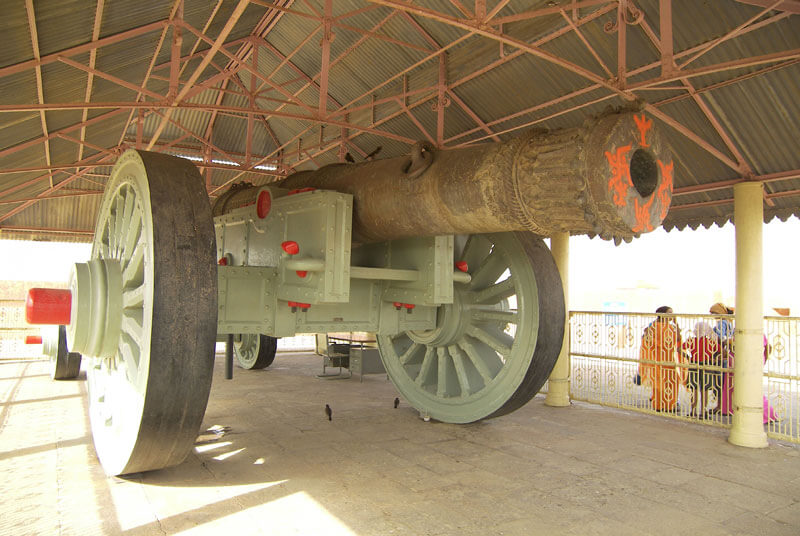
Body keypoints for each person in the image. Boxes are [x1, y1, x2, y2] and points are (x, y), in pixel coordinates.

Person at [638, 306, 684, 412]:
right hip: (658, 359)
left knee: (672, 381)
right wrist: (663, 345)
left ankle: (669, 404)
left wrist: (676, 324)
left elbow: (676, 339)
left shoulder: (669, 326)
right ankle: (660, 405)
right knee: (660, 383)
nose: (672, 315)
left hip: (669, 359)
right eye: (669, 313)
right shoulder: (655, 327)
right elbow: (649, 340)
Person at [683, 321, 719, 418]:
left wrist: (687, 357)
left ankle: (693, 411)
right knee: (705, 389)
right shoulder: (710, 342)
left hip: (694, 364)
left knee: (694, 388)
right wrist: (714, 359)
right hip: (706, 365)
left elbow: (679, 349)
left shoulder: (691, 340)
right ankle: (703, 412)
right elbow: (721, 352)